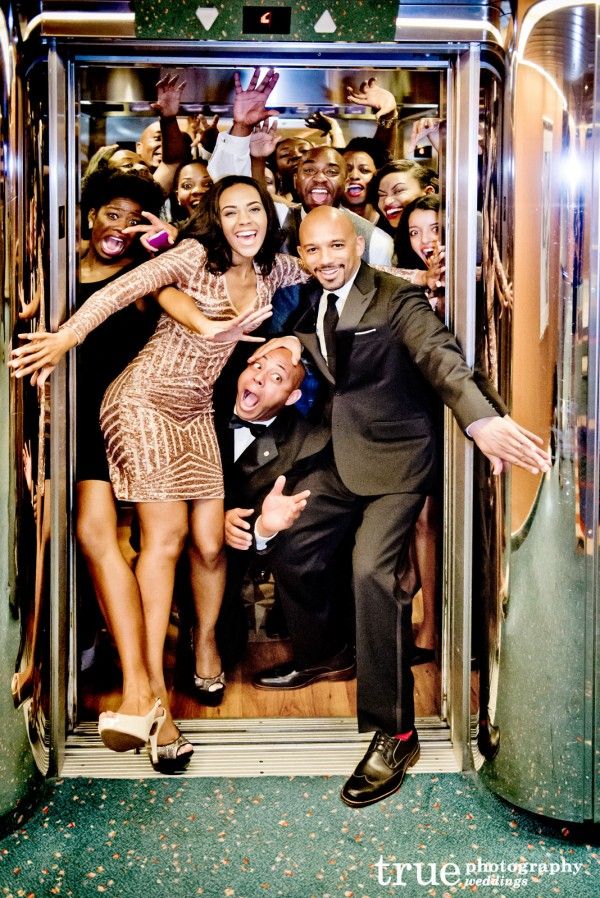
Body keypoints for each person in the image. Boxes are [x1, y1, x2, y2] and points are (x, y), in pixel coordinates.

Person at [250, 206, 551, 808]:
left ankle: (397, 731)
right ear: (302, 255)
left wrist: (481, 420)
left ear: (358, 246)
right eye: (313, 251)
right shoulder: (307, 301)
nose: (326, 260)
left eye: (337, 247)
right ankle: (328, 653)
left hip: (398, 458)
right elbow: (297, 346)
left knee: (370, 571)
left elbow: (441, 358)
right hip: (339, 455)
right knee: (290, 539)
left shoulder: (396, 299)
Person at [8, 175, 313, 766]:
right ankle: (148, 697)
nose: (244, 220)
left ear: (268, 216)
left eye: (254, 209)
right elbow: (120, 293)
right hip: (142, 399)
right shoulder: (195, 255)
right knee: (165, 539)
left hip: (196, 409)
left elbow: (335, 270)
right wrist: (64, 336)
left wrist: (431, 280)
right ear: (216, 222)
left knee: (206, 541)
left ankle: (188, 662)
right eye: (230, 212)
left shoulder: (276, 268)